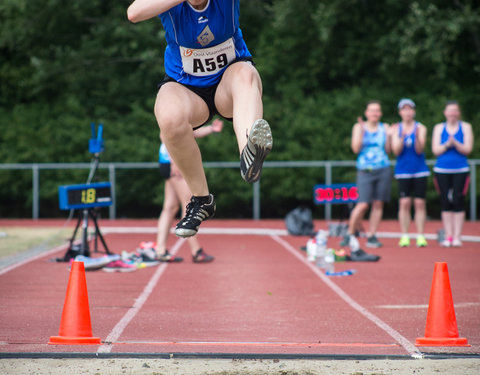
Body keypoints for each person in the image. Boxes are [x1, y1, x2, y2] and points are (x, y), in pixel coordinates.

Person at [127, 0, 273, 239]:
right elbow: (133, 13)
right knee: (168, 114)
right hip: (186, 88)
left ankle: (249, 151)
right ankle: (201, 200)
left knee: (247, 74)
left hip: (228, 82)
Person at [156, 119, 224, 263]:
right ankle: (196, 251)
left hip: (166, 162)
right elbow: (164, 135)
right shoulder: (174, 111)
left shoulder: (182, 116)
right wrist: (175, 162)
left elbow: (193, 132)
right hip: (173, 163)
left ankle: (160, 250)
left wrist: (211, 129)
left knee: (170, 207)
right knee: (188, 205)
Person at [343, 100, 391, 261]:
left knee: (378, 203)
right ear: (366, 112)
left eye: (377, 111)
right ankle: (349, 234)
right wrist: (362, 132)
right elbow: (355, 148)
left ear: (380, 113)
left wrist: (392, 136)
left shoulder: (385, 128)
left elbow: (389, 150)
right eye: (372, 110)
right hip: (365, 169)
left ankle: (372, 235)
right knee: (363, 204)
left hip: (382, 168)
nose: (374, 113)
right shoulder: (359, 127)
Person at [432, 101, 473, 247]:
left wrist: (455, 143)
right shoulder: (438, 128)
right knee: (445, 202)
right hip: (442, 170)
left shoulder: (466, 127)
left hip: (460, 169)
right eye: (450, 110)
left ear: (458, 112)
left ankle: (457, 236)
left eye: (455, 110)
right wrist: (446, 145)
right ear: (445, 112)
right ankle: (448, 236)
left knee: (458, 201)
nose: (452, 113)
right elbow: (435, 150)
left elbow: (468, 149)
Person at [391, 99, 430, 247]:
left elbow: (420, 149)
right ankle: (405, 235)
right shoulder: (396, 128)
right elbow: (396, 151)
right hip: (403, 171)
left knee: (419, 203)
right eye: (404, 109)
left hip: (419, 170)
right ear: (400, 112)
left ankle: (420, 235)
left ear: (413, 111)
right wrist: (401, 137)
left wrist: (417, 136)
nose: (407, 112)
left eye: (410, 109)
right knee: (404, 203)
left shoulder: (421, 127)